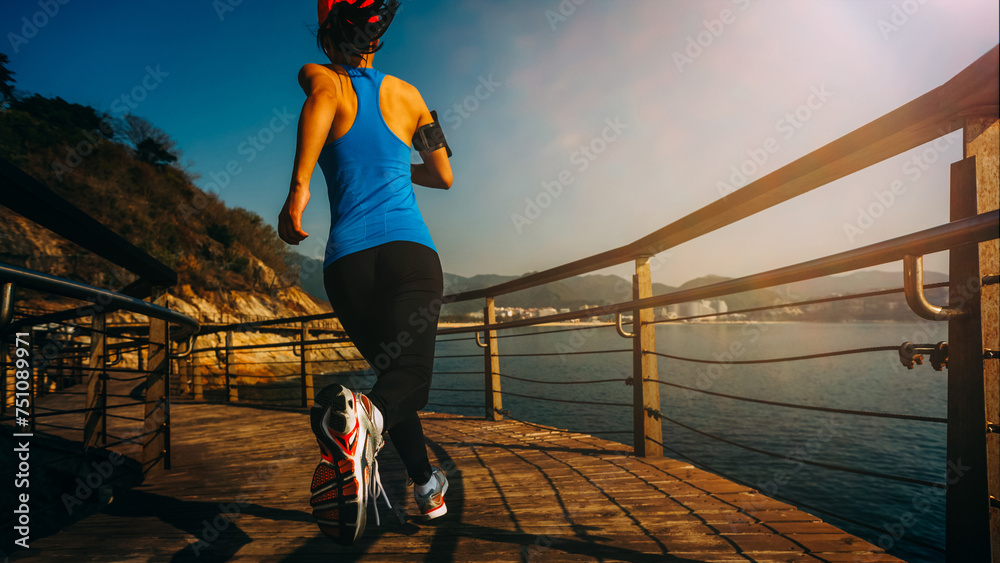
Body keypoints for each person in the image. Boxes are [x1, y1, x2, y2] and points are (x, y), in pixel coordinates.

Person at [277, 0, 453, 546]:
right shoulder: (410, 96)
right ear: (377, 38)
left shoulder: (320, 76)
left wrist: (301, 188)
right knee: (410, 382)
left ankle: (425, 485)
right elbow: (444, 175)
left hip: (348, 264)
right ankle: (362, 419)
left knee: (392, 378)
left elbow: (324, 96)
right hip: (410, 255)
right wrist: (398, 161)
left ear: (330, 37)